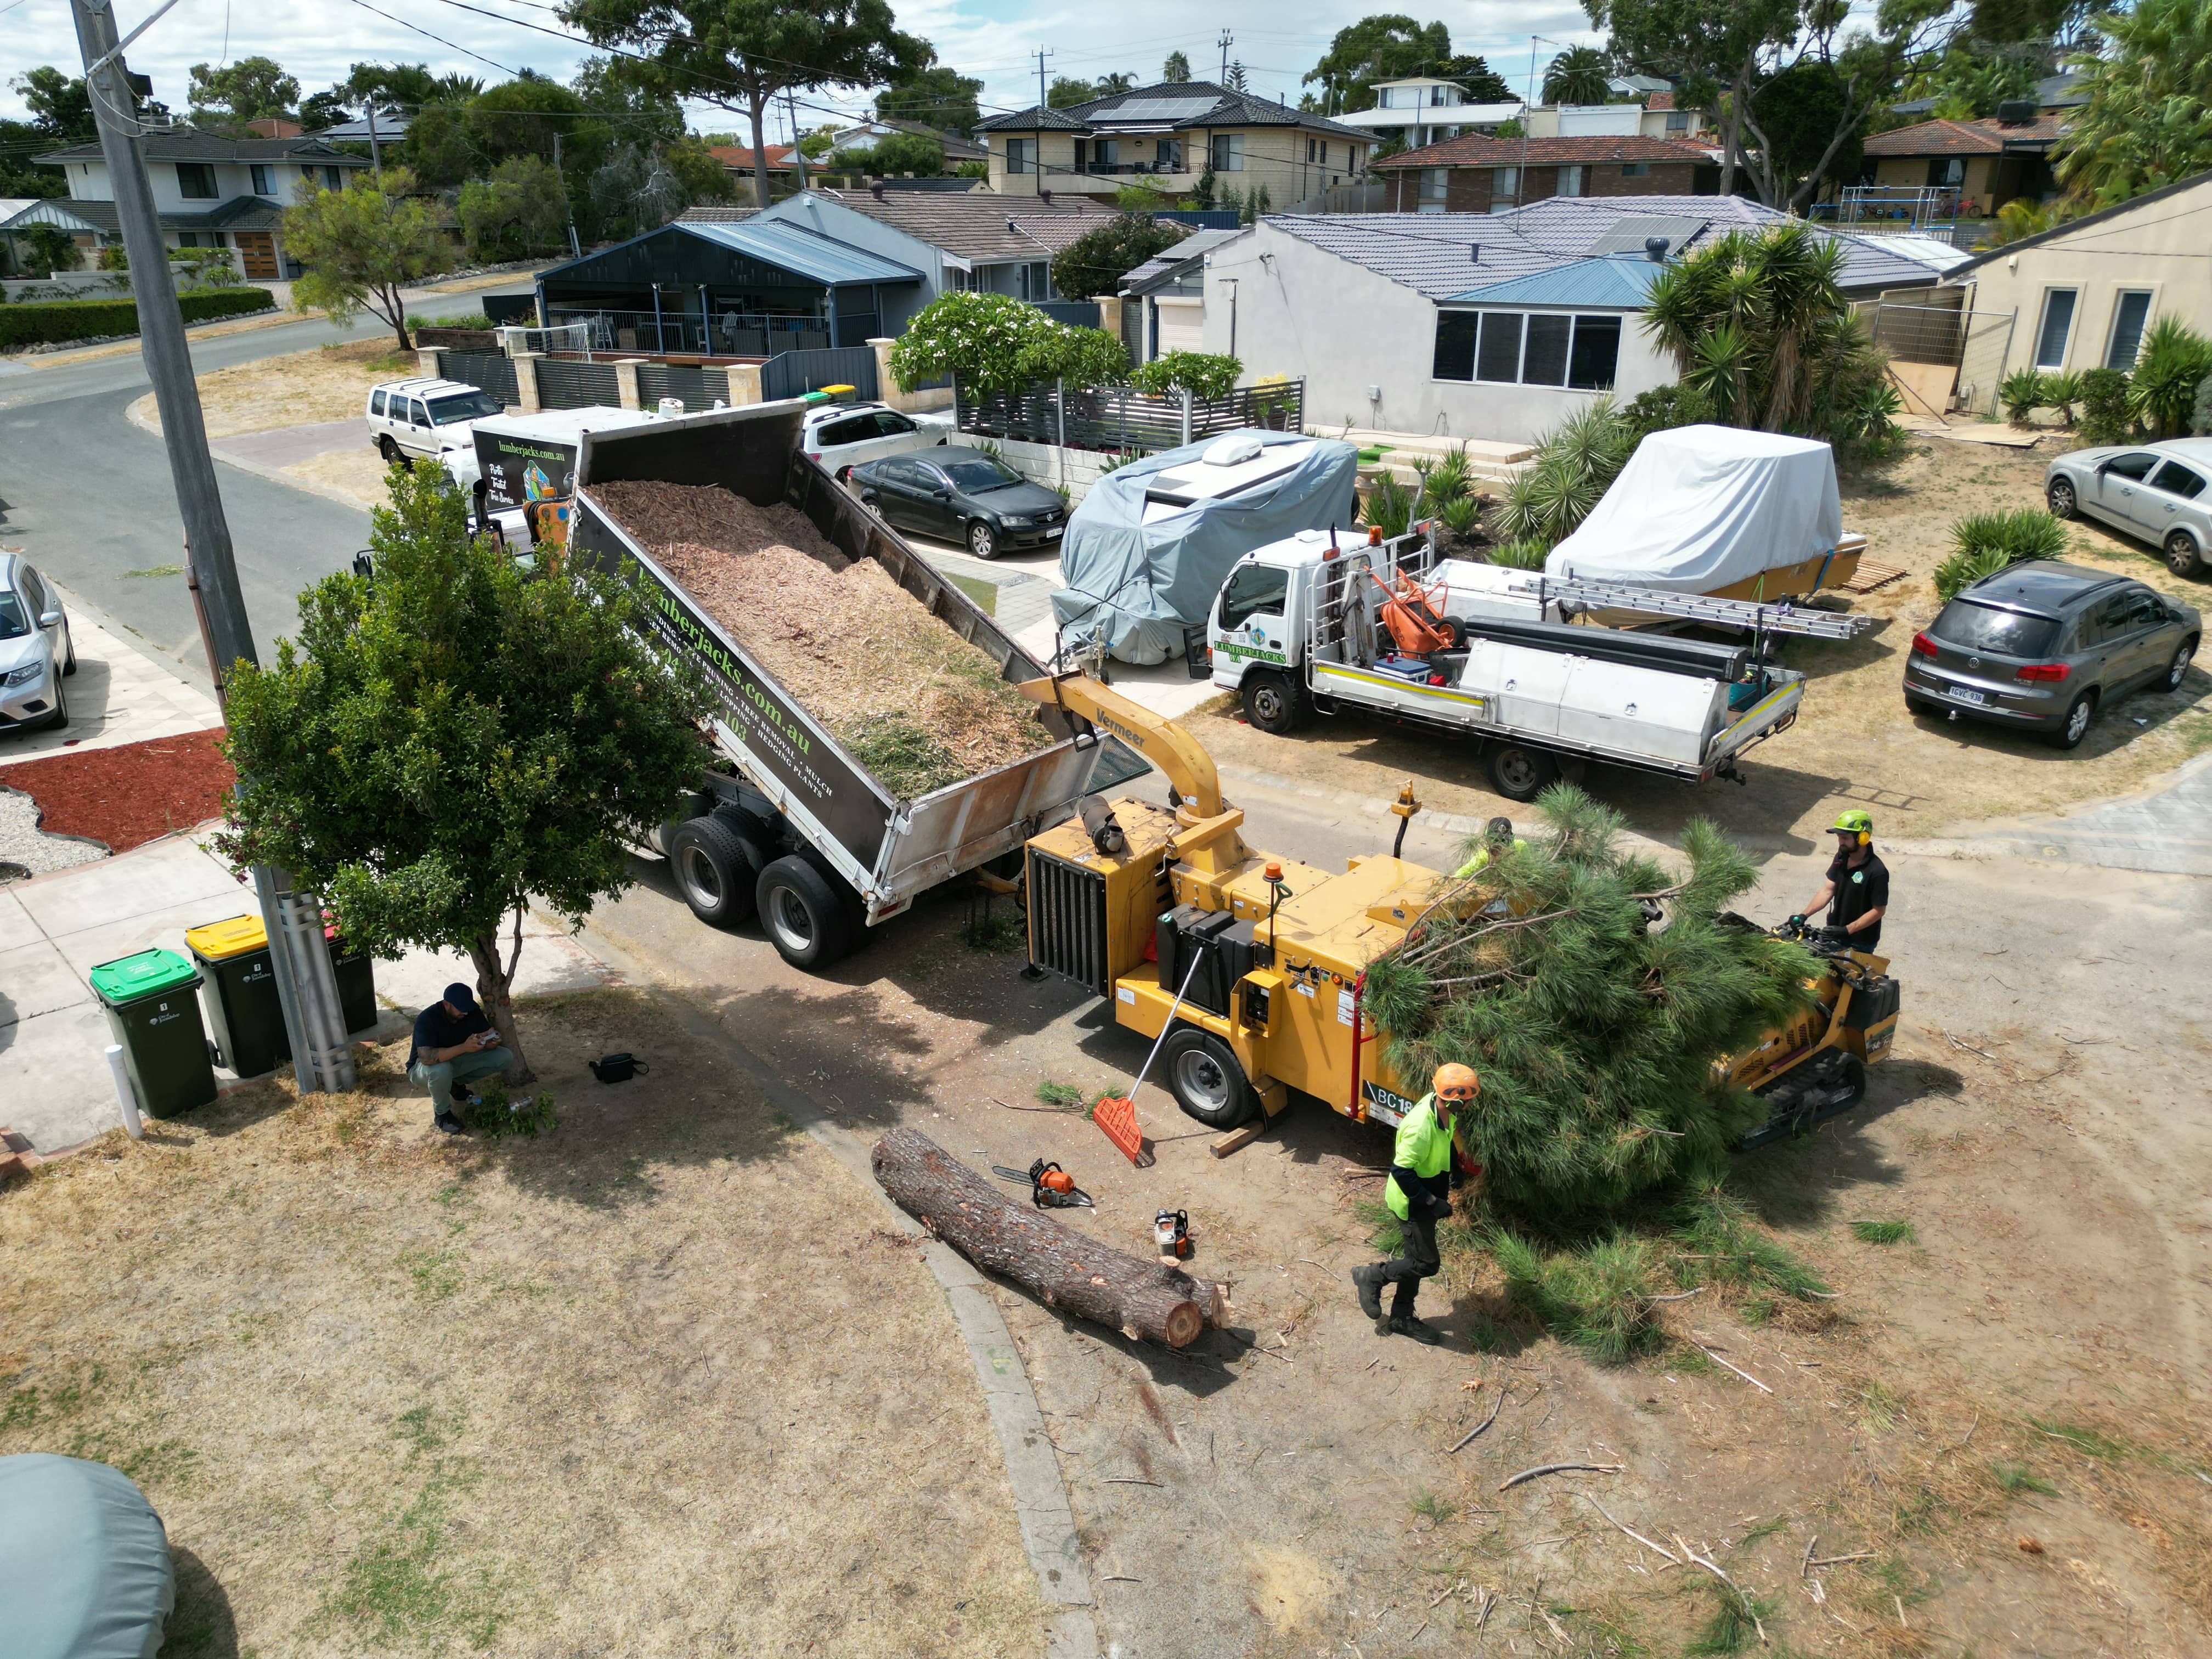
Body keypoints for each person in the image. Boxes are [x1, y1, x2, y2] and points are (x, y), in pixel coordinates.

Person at [1351, 1062, 1478, 1344]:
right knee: (1427, 1264)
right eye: (1467, 1101)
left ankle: (1401, 1318)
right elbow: (1402, 1171)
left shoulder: (1442, 1109)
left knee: (1415, 1260)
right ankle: (1372, 1276)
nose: (1469, 1105)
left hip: (1427, 1194)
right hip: (1413, 1202)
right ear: (1455, 1101)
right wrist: (1432, 1202)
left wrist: (1454, 1166)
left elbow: (1447, 1138)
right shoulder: (1421, 1127)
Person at [408, 982, 514, 1135]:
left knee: (504, 1057)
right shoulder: (428, 1018)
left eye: (467, 1007)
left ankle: (454, 1084)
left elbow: (488, 1038)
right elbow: (427, 1058)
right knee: (441, 1070)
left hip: (456, 1060)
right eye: (460, 1008)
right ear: (446, 1004)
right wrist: (464, 1048)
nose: (465, 1012)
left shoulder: (471, 1011)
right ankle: (442, 1114)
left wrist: (492, 1041)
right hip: (422, 1069)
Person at [1791, 809, 1889, 953]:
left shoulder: (1877, 871)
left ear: (1862, 838)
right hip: (1835, 934)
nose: (1840, 842)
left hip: (1859, 943)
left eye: (1845, 838)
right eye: (1839, 838)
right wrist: (1803, 916)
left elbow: (1879, 911)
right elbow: (1828, 890)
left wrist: (1847, 930)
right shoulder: (1842, 857)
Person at [1454, 817, 1523, 879]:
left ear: (1511, 840)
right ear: (1488, 840)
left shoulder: (1520, 846)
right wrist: (1454, 878)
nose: (1498, 850)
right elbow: (1467, 870)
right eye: (1495, 841)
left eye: (1503, 842)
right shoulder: (1485, 856)